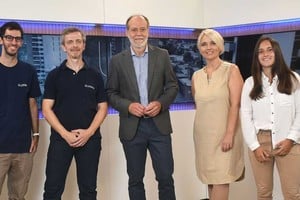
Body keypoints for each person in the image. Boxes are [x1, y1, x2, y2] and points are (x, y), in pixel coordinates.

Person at [106, 14, 178, 200]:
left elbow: (172, 86)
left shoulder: (162, 55)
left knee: (165, 178)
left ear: (148, 30)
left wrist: (160, 104)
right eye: (134, 29)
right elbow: (111, 93)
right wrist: (128, 106)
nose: (139, 33)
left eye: (142, 29)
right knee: (135, 180)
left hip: (159, 127)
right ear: (127, 32)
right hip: (132, 128)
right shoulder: (117, 60)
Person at [42, 27, 108, 200]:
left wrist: (89, 132)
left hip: (90, 140)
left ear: (84, 45)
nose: (75, 45)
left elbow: (103, 108)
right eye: (70, 42)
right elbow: (46, 108)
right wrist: (65, 134)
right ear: (64, 47)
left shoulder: (95, 76)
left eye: (78, 41)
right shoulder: (54, 76)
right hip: (60, 140)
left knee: (88, 191)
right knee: (52, 190)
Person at [240, 36, 300, 200]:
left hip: (289, 142)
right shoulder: (250, 83)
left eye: (269, 50)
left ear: (277, 53)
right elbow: (245, 116)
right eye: (260, 51)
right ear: (257, 57)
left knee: (293, 194)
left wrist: (291, 139)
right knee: (264, 193)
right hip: (261, 142)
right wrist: (254, 146)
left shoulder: (293, 79)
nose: (265, 54)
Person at [192, 29, 245, 200]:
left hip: (224, 136)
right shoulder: (196, 76)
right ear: (199, 48)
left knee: (221, 179)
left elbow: (236, 104)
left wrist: (229, 134)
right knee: (211, 179)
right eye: (204, 44)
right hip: (203, 138)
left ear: (220, 46)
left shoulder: (232, 70)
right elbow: (199, 104)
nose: (209, 47)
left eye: (213, 43)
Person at [0, 22, 41, 199]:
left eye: (17, 39)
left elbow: (32, 104)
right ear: (1, 40)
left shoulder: (28, 71)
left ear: (22, 42)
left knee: (18, 196)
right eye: (9, 37)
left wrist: (36, 135)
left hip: (23, 147)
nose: (13, 42)